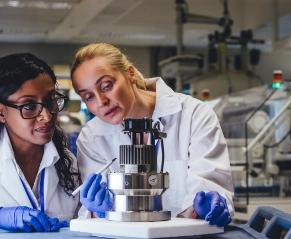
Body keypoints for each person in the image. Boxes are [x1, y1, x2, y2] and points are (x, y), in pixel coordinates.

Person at [71, 43, 234, 226]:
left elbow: (209, 184)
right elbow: (91, 212)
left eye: (106, 86)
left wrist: (206, 207)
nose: (101, 101)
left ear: (130, 74)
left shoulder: (193, 114)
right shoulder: (92, 137)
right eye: (88, 97)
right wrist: (99, 211)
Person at [0, 53, 81, 232]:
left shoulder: (67, 162)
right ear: (1, 112)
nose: (46, 115)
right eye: (28, 106)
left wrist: (94, 214)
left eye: (51, 101)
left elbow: (81, 223)